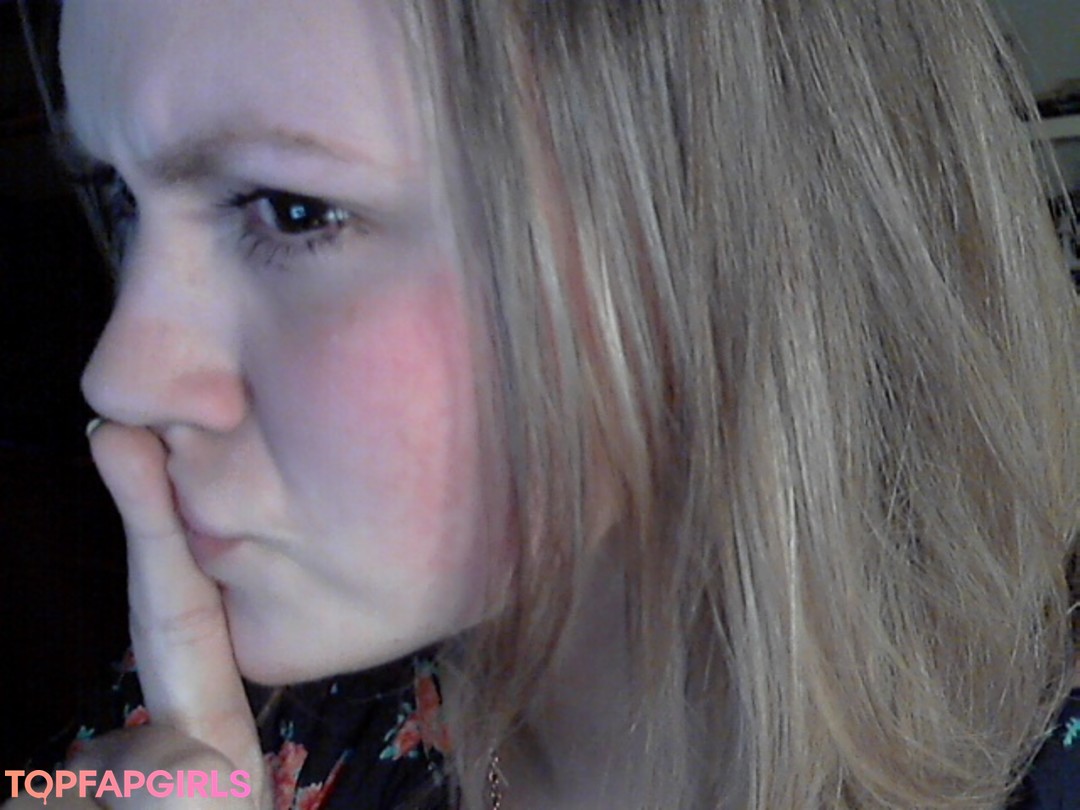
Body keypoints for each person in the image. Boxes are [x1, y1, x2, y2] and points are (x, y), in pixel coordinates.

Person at [10, 0, 1080, 807]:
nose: (120, 376)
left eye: (292, 211)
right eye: (119, 197)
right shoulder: (217, 719)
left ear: (719, 236)